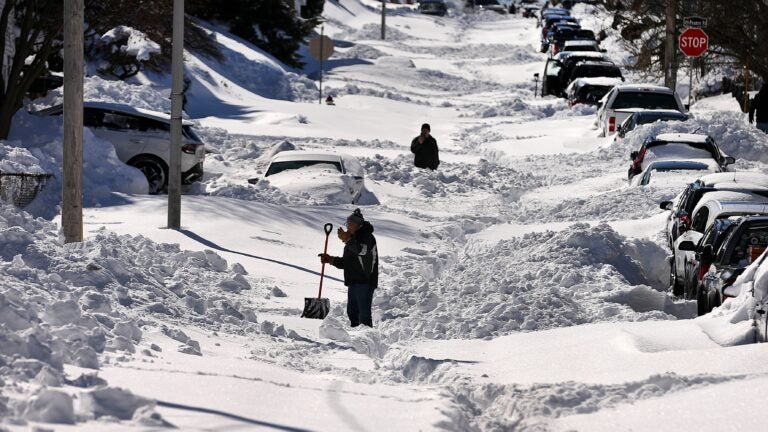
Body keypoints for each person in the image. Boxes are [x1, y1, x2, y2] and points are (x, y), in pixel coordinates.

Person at [319, 209, 378, 327]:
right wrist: (331, 260)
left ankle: (368, 340)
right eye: (347, 223)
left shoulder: (367, 237)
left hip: (365, 281)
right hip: (353, 281)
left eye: (350, 224)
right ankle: (355, 339)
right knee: (352, 313)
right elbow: (348, 263)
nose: (347, 226)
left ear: (357, 224)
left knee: (364, 315)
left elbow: (362, 251)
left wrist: (347, 239)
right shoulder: (352, 239)